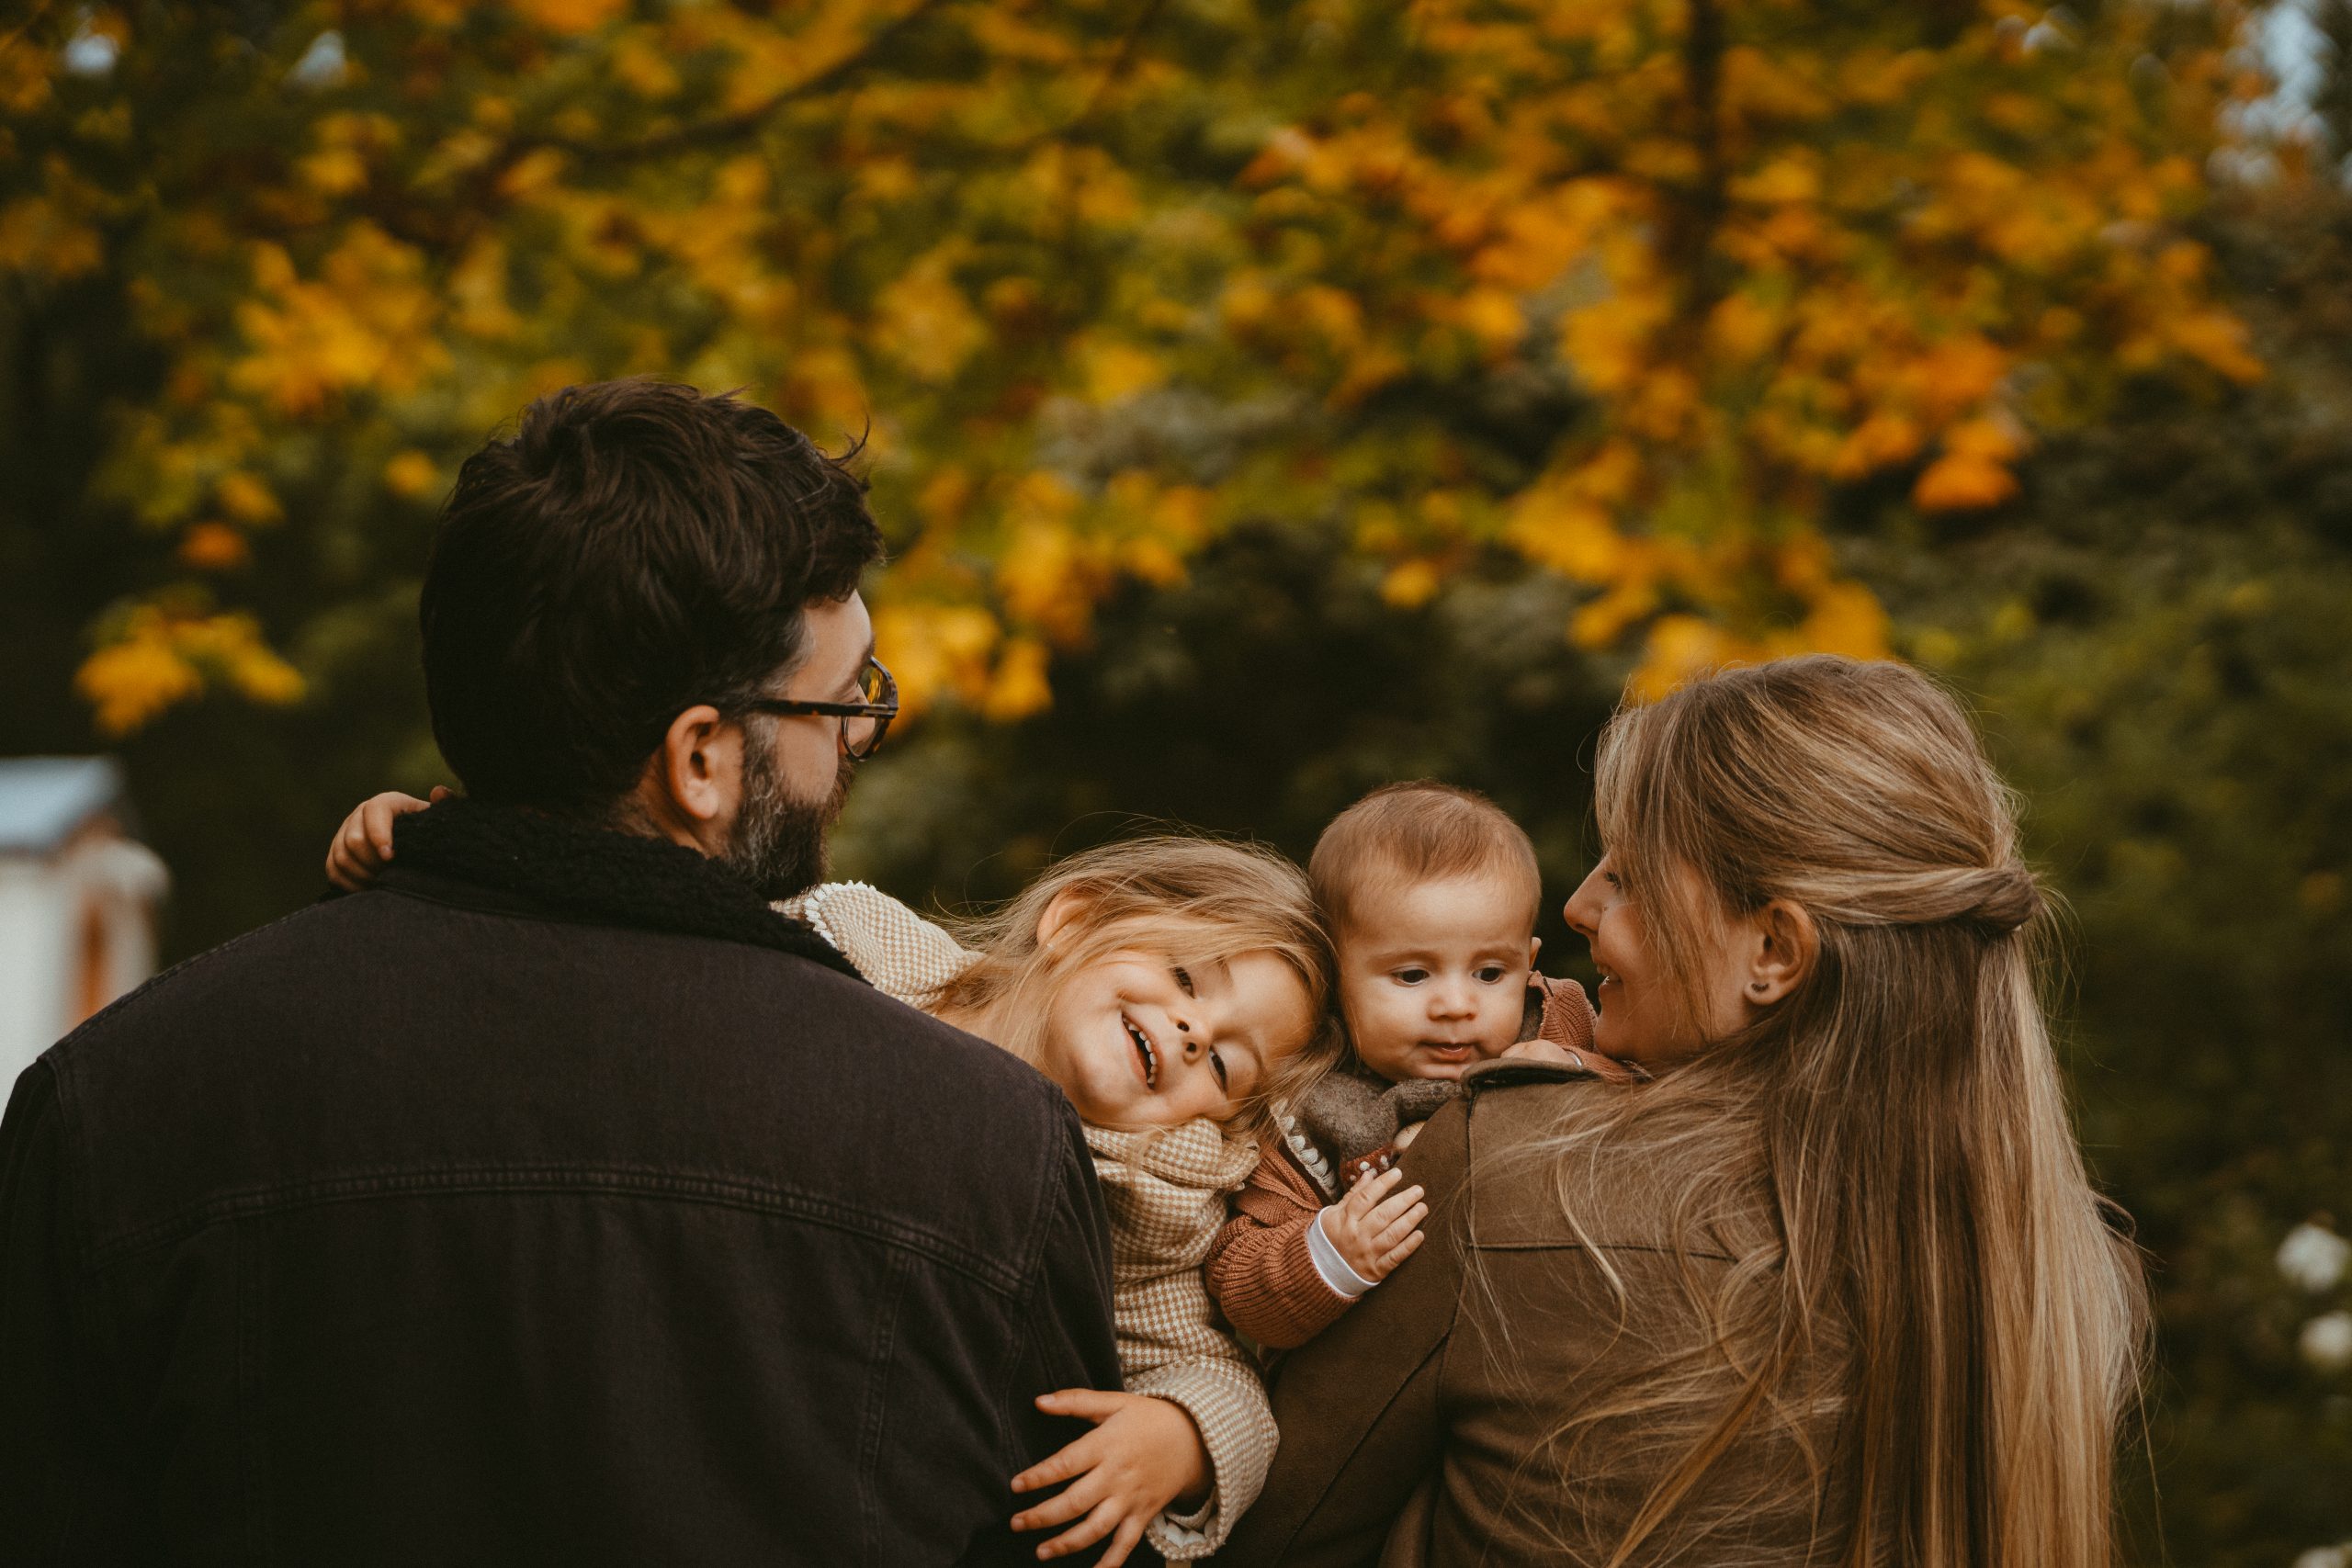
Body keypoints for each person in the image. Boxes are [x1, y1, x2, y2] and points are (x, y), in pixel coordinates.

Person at [0, 380, 1125, 1564]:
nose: (857, 737)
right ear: (700, 758)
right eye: (844, 702)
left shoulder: (112, 1104)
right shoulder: (982, 1151)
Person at [1218, 655, 2149, 1568]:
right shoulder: (2059, 1277)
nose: (1578, 904)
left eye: (1628, 877)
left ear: (1774, 951)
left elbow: (1273, 1533)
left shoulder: (1514, 1174)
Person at [329, 810, 1340, 1564]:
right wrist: (462, 848)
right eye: (1187, 978)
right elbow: (651, 930)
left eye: (1227, 1063)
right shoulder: (859, 954)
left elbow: (1220, 1376)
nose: (1193, 1031)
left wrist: (1182, 1435)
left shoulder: (1141, 1205)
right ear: (1074, 921)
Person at [1204, 782, 1627, 1351]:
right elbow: (1238, 1278)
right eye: (1412, 975)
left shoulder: (1559, 1025)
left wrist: (1580, 1070)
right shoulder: (1306, 1107)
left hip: (1557, 1325)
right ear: (1333, 974)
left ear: (1528, 963)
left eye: (1489, 973)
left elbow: (1664, 1095)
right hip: (1396, 1358)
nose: (1456, 1005)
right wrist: (1330, 1252)